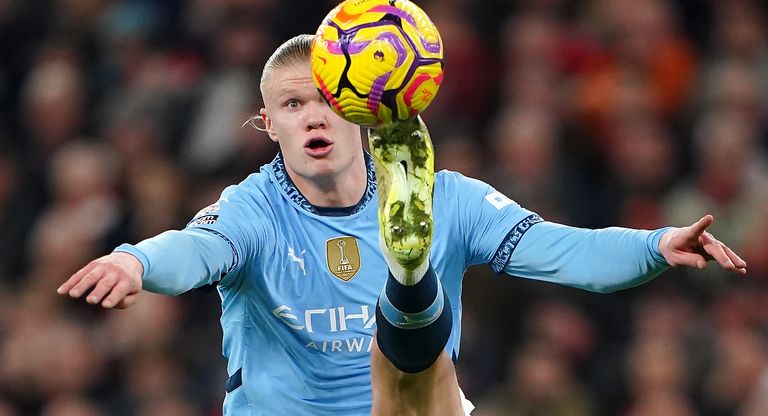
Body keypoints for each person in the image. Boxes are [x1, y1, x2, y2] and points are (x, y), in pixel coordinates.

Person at [57, 34, 747, 416]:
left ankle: (409, 280)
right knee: (418, 365)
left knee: (423, 381)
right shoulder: (251, 209)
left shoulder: (447, 198)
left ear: (362, 105)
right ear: (268, 126)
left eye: (329, 98)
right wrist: (135, 262)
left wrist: (657, 244)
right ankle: (411, 285)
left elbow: (564, 251)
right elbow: (195, 249)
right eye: (293, 106)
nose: (314, 116)